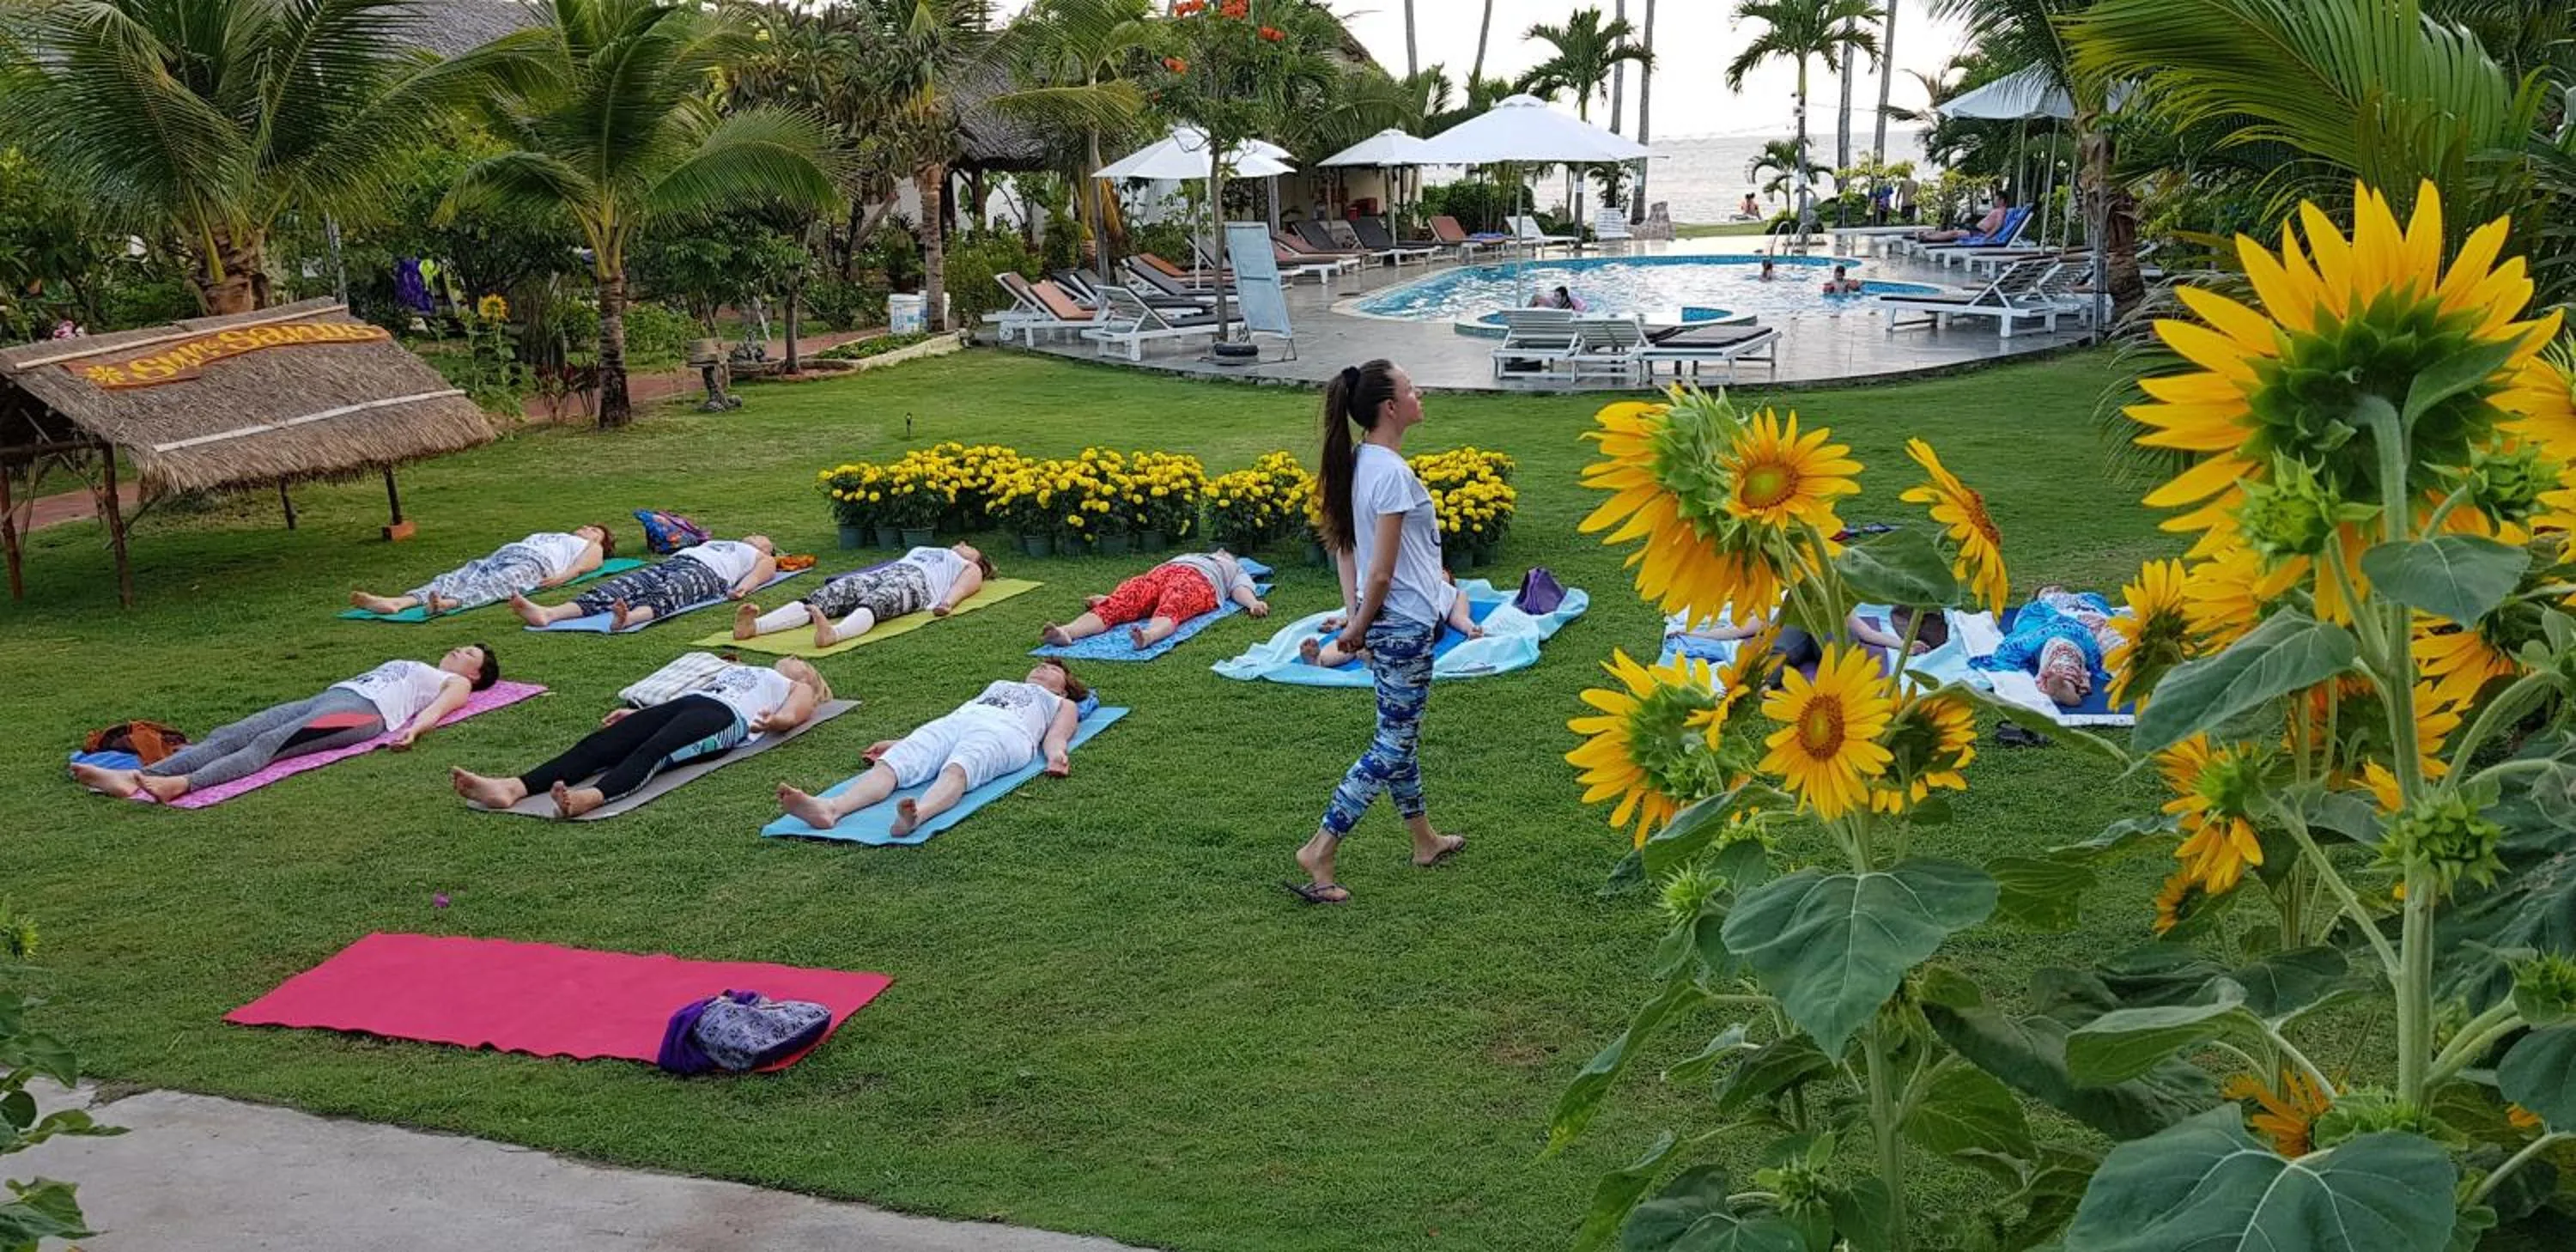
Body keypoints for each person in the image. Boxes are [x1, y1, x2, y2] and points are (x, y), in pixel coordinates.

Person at [1290, 361, 1465, 905]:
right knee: (1391, 743)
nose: (1420, 393)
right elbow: (1382, 569)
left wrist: (1356, 618)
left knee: (1399, 736)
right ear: (1391, 407)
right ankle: (1320, 847)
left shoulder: (1360, 463)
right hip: (1404, 624)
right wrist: (1357, 627)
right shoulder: (1389, 473)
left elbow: (1344, 548)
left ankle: (1424, 840)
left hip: (1382, 621)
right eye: (1412, 388)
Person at [72, 646, 500, 802]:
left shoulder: (456, 683)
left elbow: (438, 709)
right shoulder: (422, 663)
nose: (459, 651)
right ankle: (136, 777)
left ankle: (177, 784)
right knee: (234, 733)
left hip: (362, 715)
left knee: (268, 744)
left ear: (476, 675)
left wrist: (414, 730)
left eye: (469, 655)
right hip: (331, 698)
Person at [451, 656, 829, 818]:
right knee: (601, 743)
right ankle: (512, 787)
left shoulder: (794, 685)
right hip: (694, 703)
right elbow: (689, 696)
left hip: (726, 719)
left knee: (657, 751)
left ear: (809, 676)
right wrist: (640, 714)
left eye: (802, 661)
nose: (793, 659)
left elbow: (795, 714)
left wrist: (774, 722)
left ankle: (590, 798)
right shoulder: (744, 670)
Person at [775, 661, 1086, 838]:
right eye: (1040, 665)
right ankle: (831, 809)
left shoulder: (1061, 702)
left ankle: (918, 815)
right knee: (893, 763)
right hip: (958, 721)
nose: (1042, 667)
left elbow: (1058, 734)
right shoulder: (1000, 683)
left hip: (1006, 732)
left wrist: (1057, 755)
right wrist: (900, 742)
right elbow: (961, 711)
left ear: (1063, 686)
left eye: (1052, 669)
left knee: (959, 768)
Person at [734, 542, 990, 649]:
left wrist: (947, 603)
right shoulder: (929, 548)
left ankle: (835, 634)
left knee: (879, 601)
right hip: (889, 571)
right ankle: (756, 627)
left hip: (918, 583)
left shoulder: (968, 566)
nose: (963, 545)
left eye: (970, 548)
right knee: (830, 594)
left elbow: (965, 585)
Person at [512, 535, 775, 630]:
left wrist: (744, 586)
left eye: (761, 538)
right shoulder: (720, 542)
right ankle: (550, 613)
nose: (754, 537)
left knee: (672, 591)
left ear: (767, 548)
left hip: (709, 575)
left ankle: (630, 619)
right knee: (619, 586)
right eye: (753, 535)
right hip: (672, 562)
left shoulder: (757, 555)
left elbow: (767, 568)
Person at [349, 525, 615, 617]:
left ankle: (448, 603)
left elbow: (584, 567)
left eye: (595, 531)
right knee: (455, 576)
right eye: (587, 526)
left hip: (535, 565)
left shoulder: (589, 547)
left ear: (600, 541)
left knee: (497, 585)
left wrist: (561, 578)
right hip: (503, 554)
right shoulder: (554, 534)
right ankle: (399, 601)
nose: (587, 529)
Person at [1042, 550, 1268, 650]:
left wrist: (1253, 604)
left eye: (1226, 552)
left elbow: (1240, 589)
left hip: (1198, 581)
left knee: (1174, 603)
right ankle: (1067, 632)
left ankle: (1149, 636)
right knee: (1123, 600)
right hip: (1158, 575)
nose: (1222, 551)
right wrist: (1108, 597)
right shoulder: (1193, 555)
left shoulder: (1233, 568)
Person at [1972, 586, 2128, 708]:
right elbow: (2027, 625)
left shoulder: (2086, 599)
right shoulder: (2036, 608)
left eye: (2058, 589)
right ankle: (2064, 686)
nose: (2054, 591)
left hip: (2095, 625)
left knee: (2115, 640)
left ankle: (2134, 669)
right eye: (2047, 591)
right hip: (2063, 630)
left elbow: (2106, 612)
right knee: (2062, 649)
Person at [1298, 574, 1483, 668]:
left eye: (1443, 570)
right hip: (1395, 610)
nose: (1437, 570)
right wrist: (1344, 621)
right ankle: (1320, 659)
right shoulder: (1410, 580)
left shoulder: (1451, 591)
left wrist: (1470, 629)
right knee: (1356, 635)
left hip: (1429, 620)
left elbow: (1459, 616)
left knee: (1397, 636)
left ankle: (1377, 656)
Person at [1915, 195, 2008, 245]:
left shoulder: (2001, 211)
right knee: (1953, 232)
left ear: (2002, 200)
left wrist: (1987, 236)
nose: (1994, 201)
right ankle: (1928, 235)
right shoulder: (1998, 210)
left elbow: (1998, 225)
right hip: (1975, 229)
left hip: (1979, 232)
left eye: (1996, 199)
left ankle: (1927, 237)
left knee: (1954, 233)